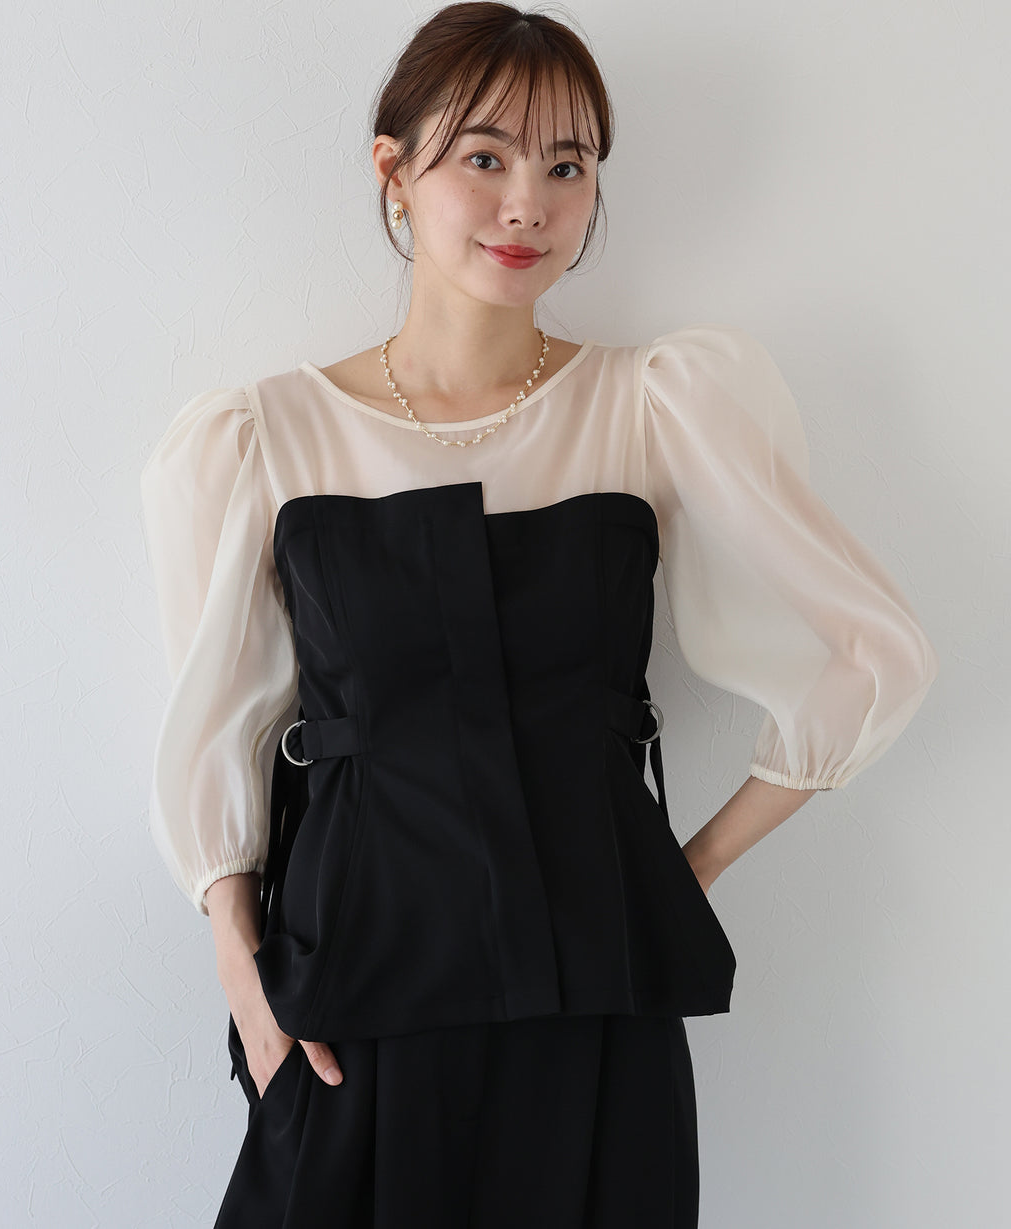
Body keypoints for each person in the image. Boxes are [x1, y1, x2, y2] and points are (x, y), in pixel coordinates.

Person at [139, 4, 939, 1226]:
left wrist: (685, 870)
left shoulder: (651, 404)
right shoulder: (264, 437)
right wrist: (244, 979)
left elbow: (878, 653)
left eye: (568, 167)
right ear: (393, 170)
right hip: (351, 998)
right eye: (486, 157)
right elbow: (215, 727)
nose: (529, 204)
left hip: (593, 1000)